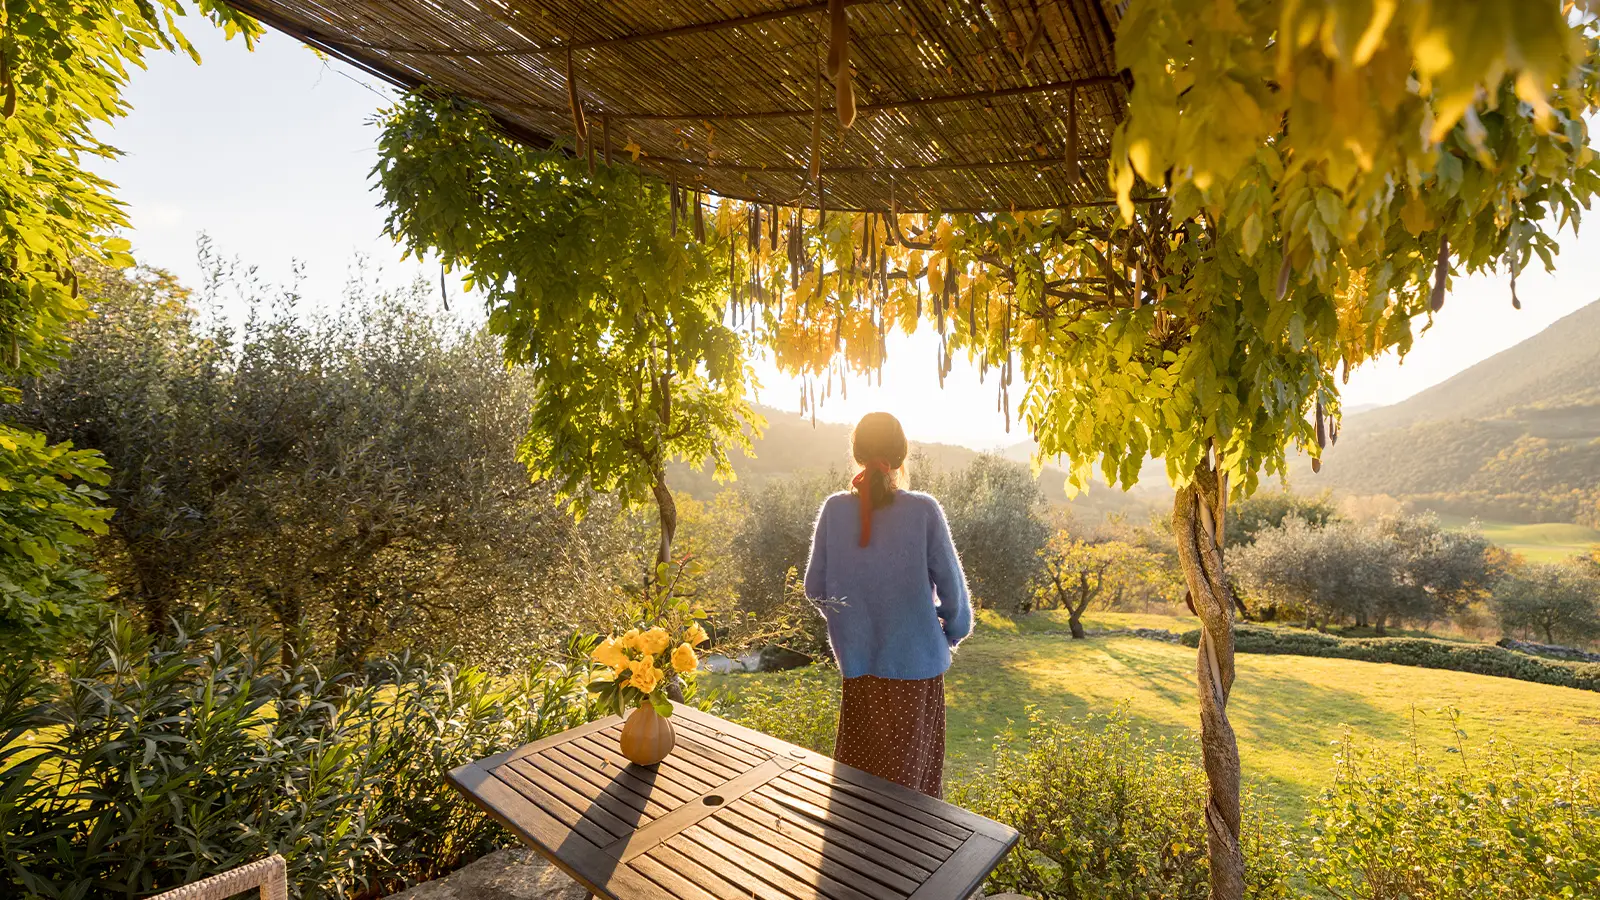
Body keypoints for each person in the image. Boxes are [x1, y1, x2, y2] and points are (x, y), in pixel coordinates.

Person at [802, 411, 972, 798]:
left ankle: (858, 855)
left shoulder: (834, 510)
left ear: (858, 453)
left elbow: (815, 588)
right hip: (918, 672)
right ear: (901, 454)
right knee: (914, 787)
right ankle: (909, 858)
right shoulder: (923, 511)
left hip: (861, 671)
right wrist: (948, 633)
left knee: (857, 786)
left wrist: (854, 625)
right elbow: (954, 597)